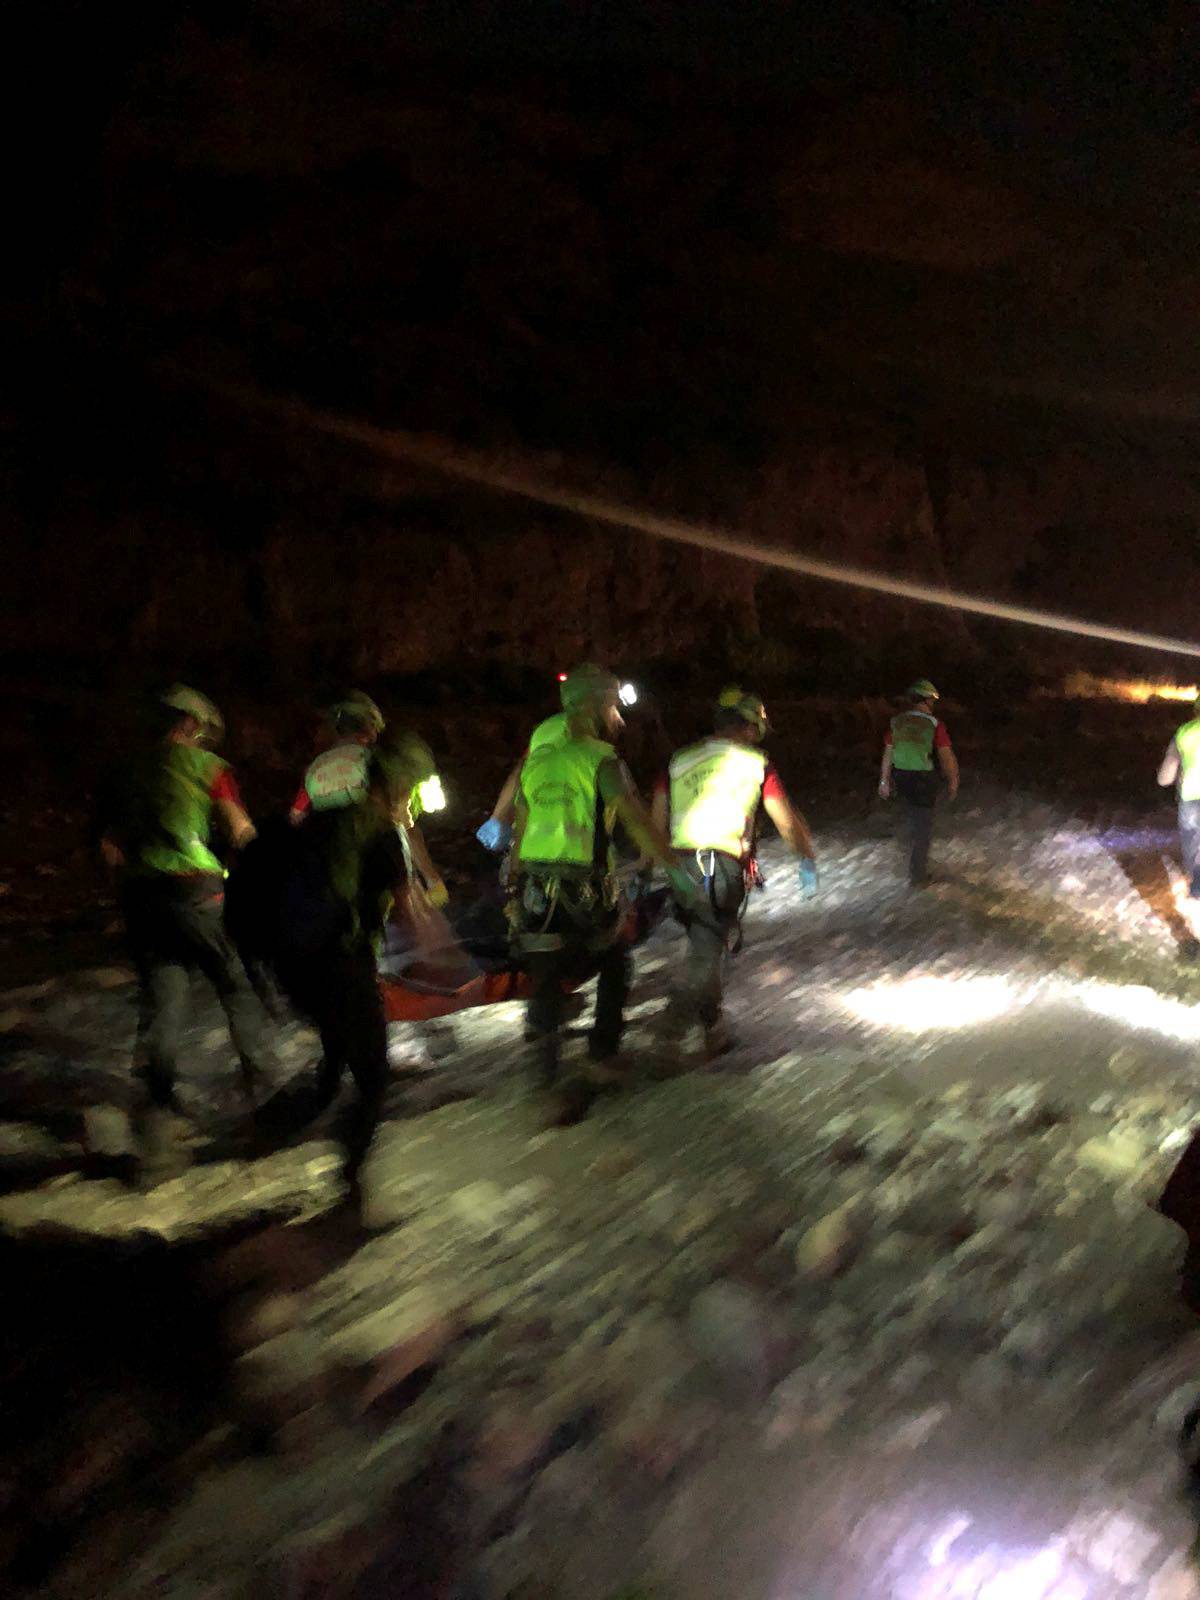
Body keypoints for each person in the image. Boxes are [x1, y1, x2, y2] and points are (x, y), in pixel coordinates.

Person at [98, 685, 271, 1185]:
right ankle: (264, 1098)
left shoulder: (126, 769)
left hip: (142, 898)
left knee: (164, 1003)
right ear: (193, 726)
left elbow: (109, 848)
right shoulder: (208, 769)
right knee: (236, 984)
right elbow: (239, 830)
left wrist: (128, 898)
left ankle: (157, 1126)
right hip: (196, 891)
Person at [510, 663, 700, 1118]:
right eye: (613, 707)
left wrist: (514, 892)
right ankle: (601, 1055)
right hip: (582, 892)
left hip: (536, 889)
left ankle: (545, 1082)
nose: (618, 719)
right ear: (594, 706)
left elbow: (521, 829)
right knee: (617, 962)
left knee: (546, 977)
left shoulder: (537, 760)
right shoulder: (601, 760)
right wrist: (675, 872)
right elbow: (636, 821)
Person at [274, 738, 440, 1214]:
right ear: (397, 785)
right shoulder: (383, 833)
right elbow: (411, 913)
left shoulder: (319, 823)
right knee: (373, 1076)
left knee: (335, 1049)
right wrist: (443, 955)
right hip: (345, 962)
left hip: (297, 962)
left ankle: (289, 1123)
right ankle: (348, 1183)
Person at [652, 688, 817, 1059]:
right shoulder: (756, 763)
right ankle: (669, 1031)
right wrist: (805, 858)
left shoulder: (679, 760)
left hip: (680, 868)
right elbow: (786, 822)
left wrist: (653, 866)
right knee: (705, 956)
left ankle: (714, 1029)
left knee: (703, 946)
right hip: (721, 870)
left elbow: (656, 819)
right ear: (751, 725)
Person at [878, 678, 959, 887]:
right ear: (926, 700)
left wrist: (884, 781)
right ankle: (918, 876)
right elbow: (946, 756)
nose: (933, 704)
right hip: (923, 779)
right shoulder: (934, 724)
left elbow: (888, 753)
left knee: (913, 818)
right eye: (932, 700)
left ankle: (913, 857)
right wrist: (953, 780)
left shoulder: (897, 722)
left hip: (901, 778)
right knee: (923, 827)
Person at [1157, 698, 1200, 901]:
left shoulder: (1184, 732)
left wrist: (1164, 780)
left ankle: (1197, 887)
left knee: (1192, 843)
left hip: (1191, 798)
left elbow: (1165, 778)